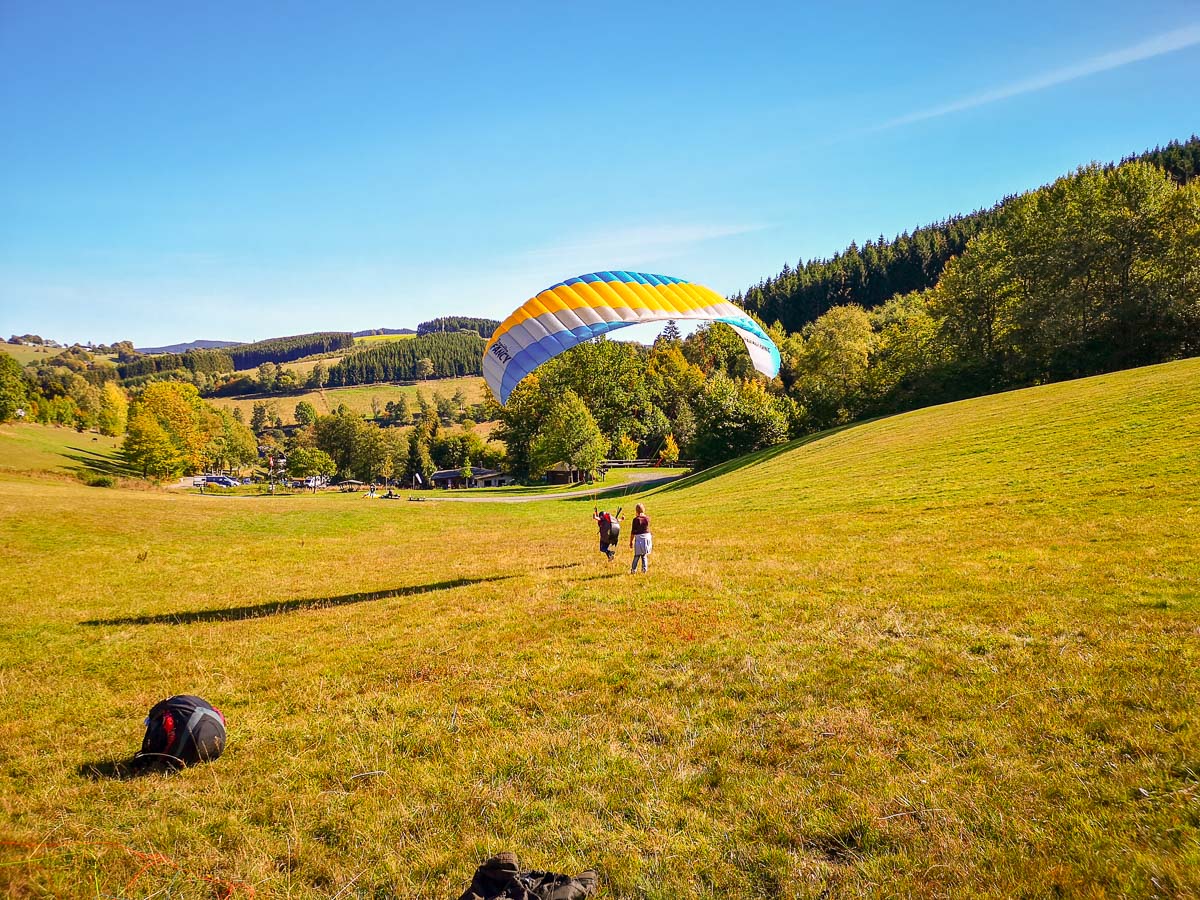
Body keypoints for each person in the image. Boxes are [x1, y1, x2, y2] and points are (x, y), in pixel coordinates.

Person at [629, 503, 651, 573]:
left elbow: (633, 532)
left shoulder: (635, 520)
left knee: (637, 556)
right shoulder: (647, 518)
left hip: (639, 539)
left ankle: (633, 570)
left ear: (636, 511)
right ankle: (644, 569)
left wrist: (631, 542)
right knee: (644, 555)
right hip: (647, 538)